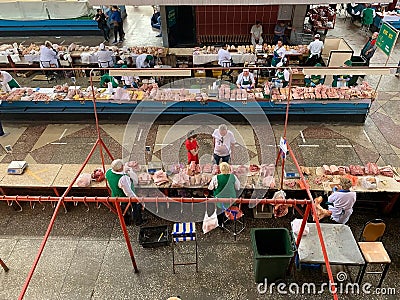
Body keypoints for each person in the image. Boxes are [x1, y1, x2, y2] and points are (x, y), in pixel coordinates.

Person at [105, 159, 144, 226]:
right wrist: (137, 200)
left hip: (115, 194)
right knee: (135, 207)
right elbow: (128, 192)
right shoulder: (122, 178)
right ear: (120, 168)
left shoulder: (108, 172)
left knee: (122, 211)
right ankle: (138, 221)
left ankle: (127, 223)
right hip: (123, 197)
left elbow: (108, 181)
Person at [208, 162, 241, 226]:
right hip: (231, 200)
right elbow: (238, 188)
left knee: (219, 212)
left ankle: (220, 223)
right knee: (229, 209)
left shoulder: (216, 177)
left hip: (219, 201)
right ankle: (228, 218)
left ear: (220, 170)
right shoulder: (233, 177)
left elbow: (210, 188)